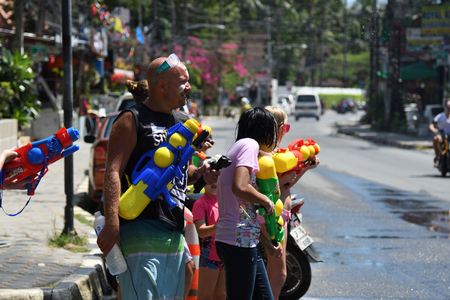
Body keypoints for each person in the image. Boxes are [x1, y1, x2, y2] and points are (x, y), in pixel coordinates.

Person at [96, 53, 219, 300]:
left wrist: (203, 174)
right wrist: (112, 223)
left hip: (173, 232)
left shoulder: (184, 123)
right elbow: (112, 171)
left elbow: (184, 175)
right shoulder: (132, 120)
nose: (189, 87)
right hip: (140, 229)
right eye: (183, 81)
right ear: (162, 85)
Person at [215, 106, 282, 300]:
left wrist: (268, 245)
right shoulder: (249, 145)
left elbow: (245, 212)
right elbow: (240, 187)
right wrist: (267, 202)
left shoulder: (238, 147)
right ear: (265, 130)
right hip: (237, 241)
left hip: (242, 239)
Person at [262, 106, 320, 299]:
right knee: (277, 274)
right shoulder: (266, 156)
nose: (284, 133)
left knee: (277, 273)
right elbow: (267, 188)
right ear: (276, 128)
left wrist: (303, 169)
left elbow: (286, 184)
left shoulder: (276, 153)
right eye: (284, 128)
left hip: (281, 215)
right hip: (272, 217)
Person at [193, 180, 226, 300]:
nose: (215, 182)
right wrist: (218, 225)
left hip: (226, 256)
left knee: (221, 296)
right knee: (205, 297)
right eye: (210, 179)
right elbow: (201, 232)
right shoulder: (200, 203)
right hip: (210, 258)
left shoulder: (225, 202)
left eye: (217, 179)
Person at [429, 99, 450, 167]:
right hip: (443, 135)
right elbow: (431, 125)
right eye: (447, 105)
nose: (449, 108)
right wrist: (434, 130)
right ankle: (438, 157)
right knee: (436, 139)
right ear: (445, 106)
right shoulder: (440, 116)